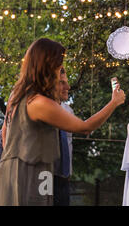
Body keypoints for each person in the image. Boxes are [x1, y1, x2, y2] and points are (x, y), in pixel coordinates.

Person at [0, 38, 126, 206]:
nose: (61, 71)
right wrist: (114, 102)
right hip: (30, 173)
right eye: (59, 66)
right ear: (48, 66)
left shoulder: (18, 95)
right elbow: (85, 128)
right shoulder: (39, 102)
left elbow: (6, 133)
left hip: (21, 171)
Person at [54, 67, 74, 206]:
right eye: (62, 82)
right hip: (46, 175)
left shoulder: (69, 111)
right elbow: (86, 128)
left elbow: (84, 127)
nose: (68, 87)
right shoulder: (38, 107)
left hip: (65, 176)